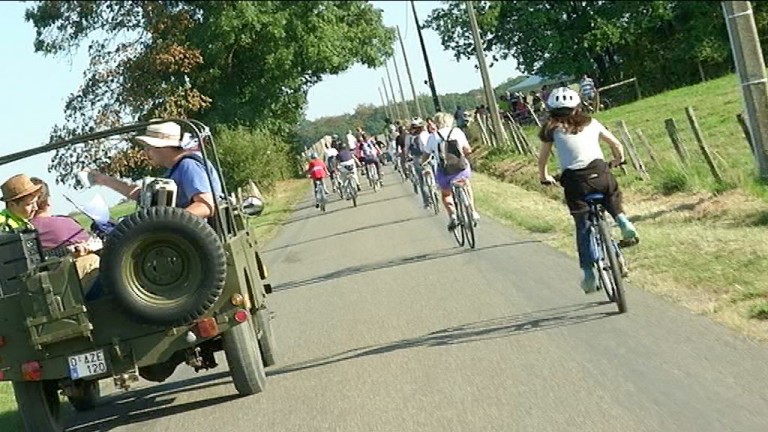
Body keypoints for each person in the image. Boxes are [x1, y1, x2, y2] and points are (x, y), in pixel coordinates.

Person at [537, 87, 638, 294]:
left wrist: (544, 176)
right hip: (600, 172)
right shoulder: (592, 123)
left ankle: (589, 273)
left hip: (575, 182)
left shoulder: (551, 129)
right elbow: (616, 144)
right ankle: (621, 220)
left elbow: (543, 159)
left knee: (583, 226)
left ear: (551, 110)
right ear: (578, 107)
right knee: (612, 193)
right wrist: (618, 160)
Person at [86, 122, 223, 219]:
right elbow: (143, 196)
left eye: (148, 147)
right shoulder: (176, 169)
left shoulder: (188, 166)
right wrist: (104, 180)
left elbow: (206, 205)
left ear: (162, 147)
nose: (146, 152)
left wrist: (164, 223)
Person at [29, 177, 101, 293]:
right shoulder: (66, 223)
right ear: (48, 201)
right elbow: (94, 245)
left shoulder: (25, 232)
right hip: (72, 285)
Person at [424, 112, 479, 231]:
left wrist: (423, 162)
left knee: (446, 194)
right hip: (461, 168)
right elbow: (467, 150)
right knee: (467, 184)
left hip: (444, 172)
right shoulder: (457, 131)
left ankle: (452, 215)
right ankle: (473, 211)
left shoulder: (433, 137)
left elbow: (426, 155)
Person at [409, 117, 431, 208]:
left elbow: (408, 149)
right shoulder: (426, 134)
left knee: (421, 180)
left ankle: (427, 201)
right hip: (428, 156)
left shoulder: (411, 137)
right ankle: (435, 189)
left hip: (417, 158)